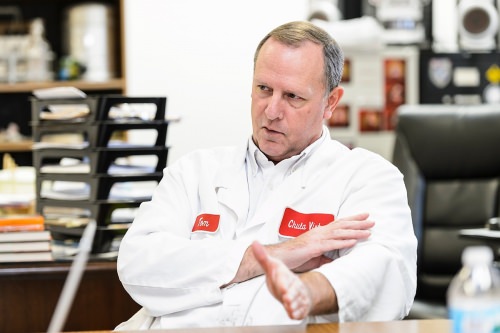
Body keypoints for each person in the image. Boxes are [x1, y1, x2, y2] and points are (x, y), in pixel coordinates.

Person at [115, 20, 417, 330]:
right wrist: (277, 256)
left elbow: (386, 270)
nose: (272, 110)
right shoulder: (195, 172)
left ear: (330, 103)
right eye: (264, 89)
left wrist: (308, 290)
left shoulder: (366, 177)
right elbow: (138, 263)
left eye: (293, 97)